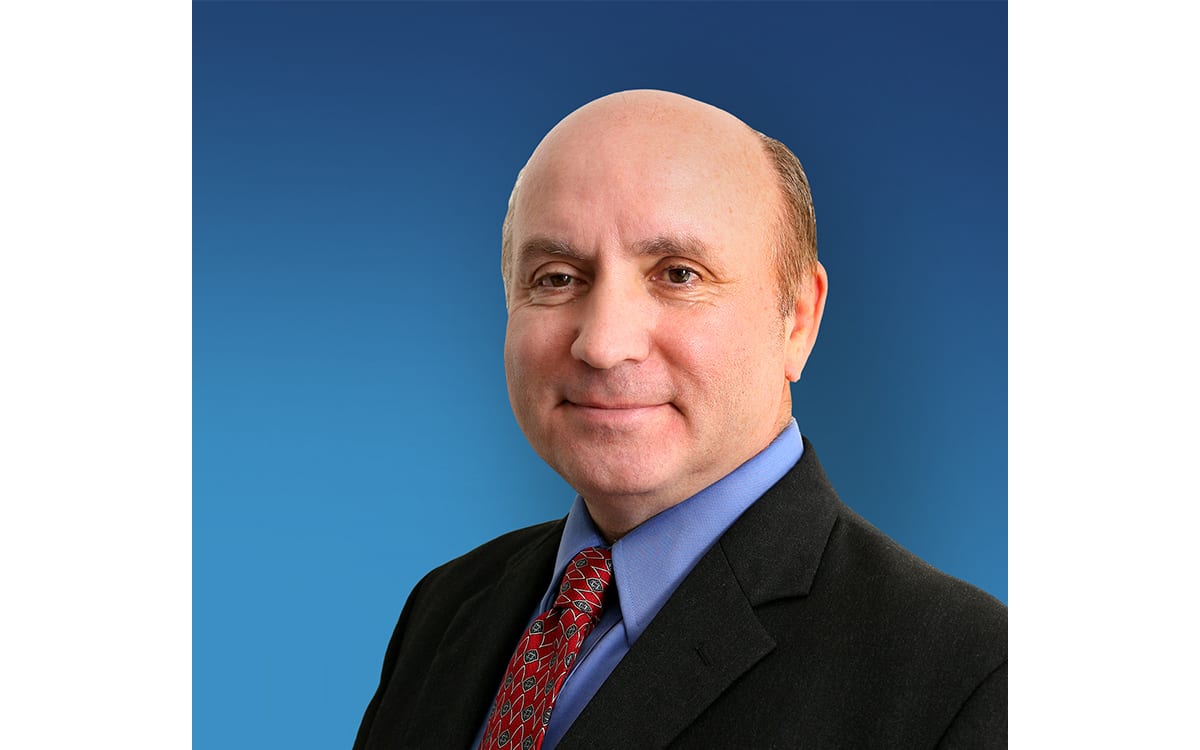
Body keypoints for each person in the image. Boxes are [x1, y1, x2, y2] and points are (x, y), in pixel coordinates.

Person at [353, 89, 1006, 749]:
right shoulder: (447, 607)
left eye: (679, 275)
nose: (603, 344)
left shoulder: (972, 682)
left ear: (798, 320)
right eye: (556, 278)